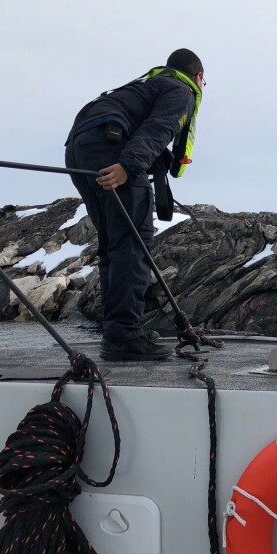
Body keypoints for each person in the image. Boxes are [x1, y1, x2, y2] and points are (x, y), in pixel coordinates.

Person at [64, 48, 204, 361]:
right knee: (132, 242)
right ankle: (124, 336)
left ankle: (118, 330)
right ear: (197, 78)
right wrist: (129, 165)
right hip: (110, 148)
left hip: (78, 149)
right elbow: (161, 127)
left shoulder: (144, 86)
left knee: (114, 243)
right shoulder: (181, 89)